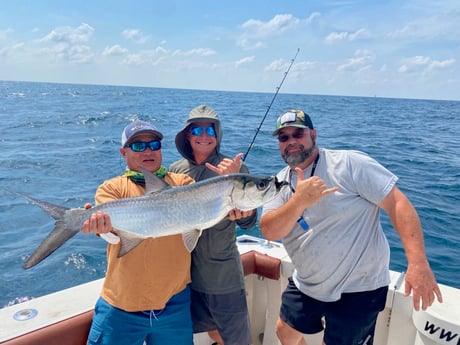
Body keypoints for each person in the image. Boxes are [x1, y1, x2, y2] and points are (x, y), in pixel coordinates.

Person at [259, 109, 443, 345]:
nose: (291, 141)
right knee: (285, 332)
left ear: (313, 134)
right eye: (284, 138)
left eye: (298, 134)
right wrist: (299, 201)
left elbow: (398, 204)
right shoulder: (280, 181)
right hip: (309, 281)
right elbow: (269, 231)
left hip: (360, 286)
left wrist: (417, 263)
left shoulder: (348, 163)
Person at [81, 120, 195, 345]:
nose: (148, 151)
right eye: (138, 146)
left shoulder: (182, 183)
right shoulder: (112, 188)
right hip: (121, 308)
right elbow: (113, 236)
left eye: (154, 144)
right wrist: (104, 230)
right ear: (124, 152)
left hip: (173, 304)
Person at [169, 104, 256, 345]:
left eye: (211, 130)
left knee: (237, 340)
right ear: (188, 134)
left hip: (223, 277)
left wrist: (245, 208)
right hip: (187, 278)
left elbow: (249, 222)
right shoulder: (175, 170)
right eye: (198, 130)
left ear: (218, 134)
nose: (205, 136)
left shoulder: (233, 169)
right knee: (211, 333)